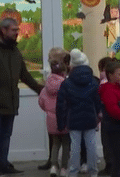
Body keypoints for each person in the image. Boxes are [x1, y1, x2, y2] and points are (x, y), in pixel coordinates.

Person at [0, 18, 44, 174]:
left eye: (17, 30)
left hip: (10, 103)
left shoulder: (15, 52)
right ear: (3, 30)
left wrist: (40, 89)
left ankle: (3, 165)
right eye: (13, 30)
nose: (17, 33)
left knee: (5, 136)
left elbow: (24, 75)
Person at [56, 49, 101, 177]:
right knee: (91, 145)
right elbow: (97, 100)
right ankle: (93, 171)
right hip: (90, 117)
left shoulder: (67, 83)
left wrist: (61, 123)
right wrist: (99, 112)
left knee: (75, 147)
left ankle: (73, 171)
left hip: (73, 118)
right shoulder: (93, 81)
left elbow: (61, 105)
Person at [39, 47, 70, 171]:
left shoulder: (48, 82)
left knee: (55, 143)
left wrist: (47, 110)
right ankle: (64, 167)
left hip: (51, 117)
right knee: (66, 143)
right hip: (65, 116)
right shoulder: (66, 82)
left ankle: (53, 165)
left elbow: (41, 100)